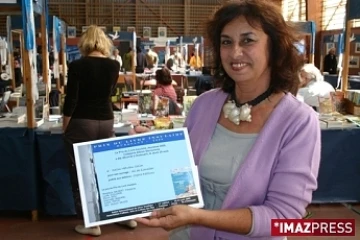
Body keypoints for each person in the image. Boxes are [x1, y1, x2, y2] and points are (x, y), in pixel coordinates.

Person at [132, 1, 321, 240]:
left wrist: (198, 217)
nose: (235, 53)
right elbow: (182, 172)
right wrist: (149, 151)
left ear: (274, 47)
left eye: (248, 40)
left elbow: (283, 217)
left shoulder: (298, 121)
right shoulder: (205, 104)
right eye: (226, 42)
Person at [62, 25, 137, 237]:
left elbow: (72, 99)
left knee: (81, 173)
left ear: (85, 42)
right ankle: (126, 216)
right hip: (106, 120)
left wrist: (65, 125)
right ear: (104, 42)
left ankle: (91, 223)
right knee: (109, 171)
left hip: (82, 121)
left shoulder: (77, 65)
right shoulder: (114, 66)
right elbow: (110, 94)